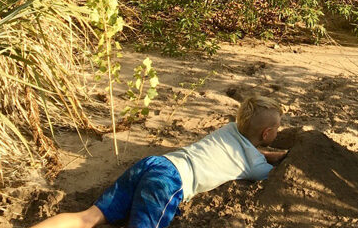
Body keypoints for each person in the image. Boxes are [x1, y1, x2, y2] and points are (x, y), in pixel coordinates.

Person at [30, 95, 287, 228]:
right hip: (168, 183)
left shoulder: (230, 129)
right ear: (267, 134)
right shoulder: (255, 166)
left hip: (155, 164)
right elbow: (269, 169)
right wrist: (281, 159)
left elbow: (245, 150)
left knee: (88, 218)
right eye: (276, 128)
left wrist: (269, 153)